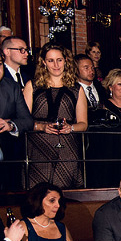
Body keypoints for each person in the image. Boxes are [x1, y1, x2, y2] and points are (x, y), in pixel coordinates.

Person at [23, 43, 88, 189]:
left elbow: (83, 124)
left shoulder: (77, 89)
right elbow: (23, 121)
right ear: (44, 62)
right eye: (51, 60)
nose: (56, 65)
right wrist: (41, 127)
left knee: (66, 195)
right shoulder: (32, 86)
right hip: (38, 150)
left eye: (59, 60)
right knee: (38, 194)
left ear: (65, 61)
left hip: (67, 150)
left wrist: (71, 128)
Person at [0, 43, 34, 190]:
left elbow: (27, 121)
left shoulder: (11, 87)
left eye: (0, 63)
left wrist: (10, 125)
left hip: (6, 162)